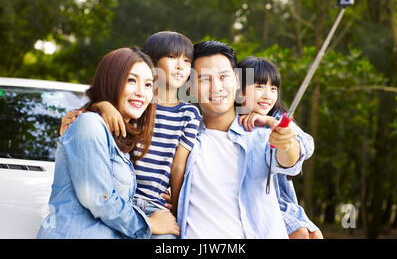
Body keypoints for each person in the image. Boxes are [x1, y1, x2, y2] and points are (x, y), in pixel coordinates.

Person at [59, 32, 201, 238]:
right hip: (124, 199)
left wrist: (178, 207)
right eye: (172, 57)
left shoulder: (183, 112)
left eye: (187, 61)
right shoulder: (137, 108)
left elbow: (179, 165)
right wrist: (101, 106)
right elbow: (100, 129)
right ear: (151, 63)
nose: (180, 66)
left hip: (154, 203)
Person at [176, 40, 314, 238]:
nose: (216, 87)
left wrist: (287, 143)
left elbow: (287, 161)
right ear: (189, 87)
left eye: (224, 77)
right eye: (205, 79)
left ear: (237, 81)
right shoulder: (181, 138)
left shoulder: (259, 134)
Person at [37, 47, 179, 239]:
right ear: (111, 81)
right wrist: (149, 224)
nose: (141, 93)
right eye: (131, 80)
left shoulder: (119, 140)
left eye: (147, 85)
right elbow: (99, 199)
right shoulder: (89, 124)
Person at [236, 56, 323, 239]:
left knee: (315, 234)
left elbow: (306, 144)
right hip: (254, 203)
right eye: (259, 86)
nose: (268, 95)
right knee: (299, 233)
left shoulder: (275, 118)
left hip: (281, 201)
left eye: (273, 88)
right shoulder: (231, 123)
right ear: (238, 88)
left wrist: (271, 122)